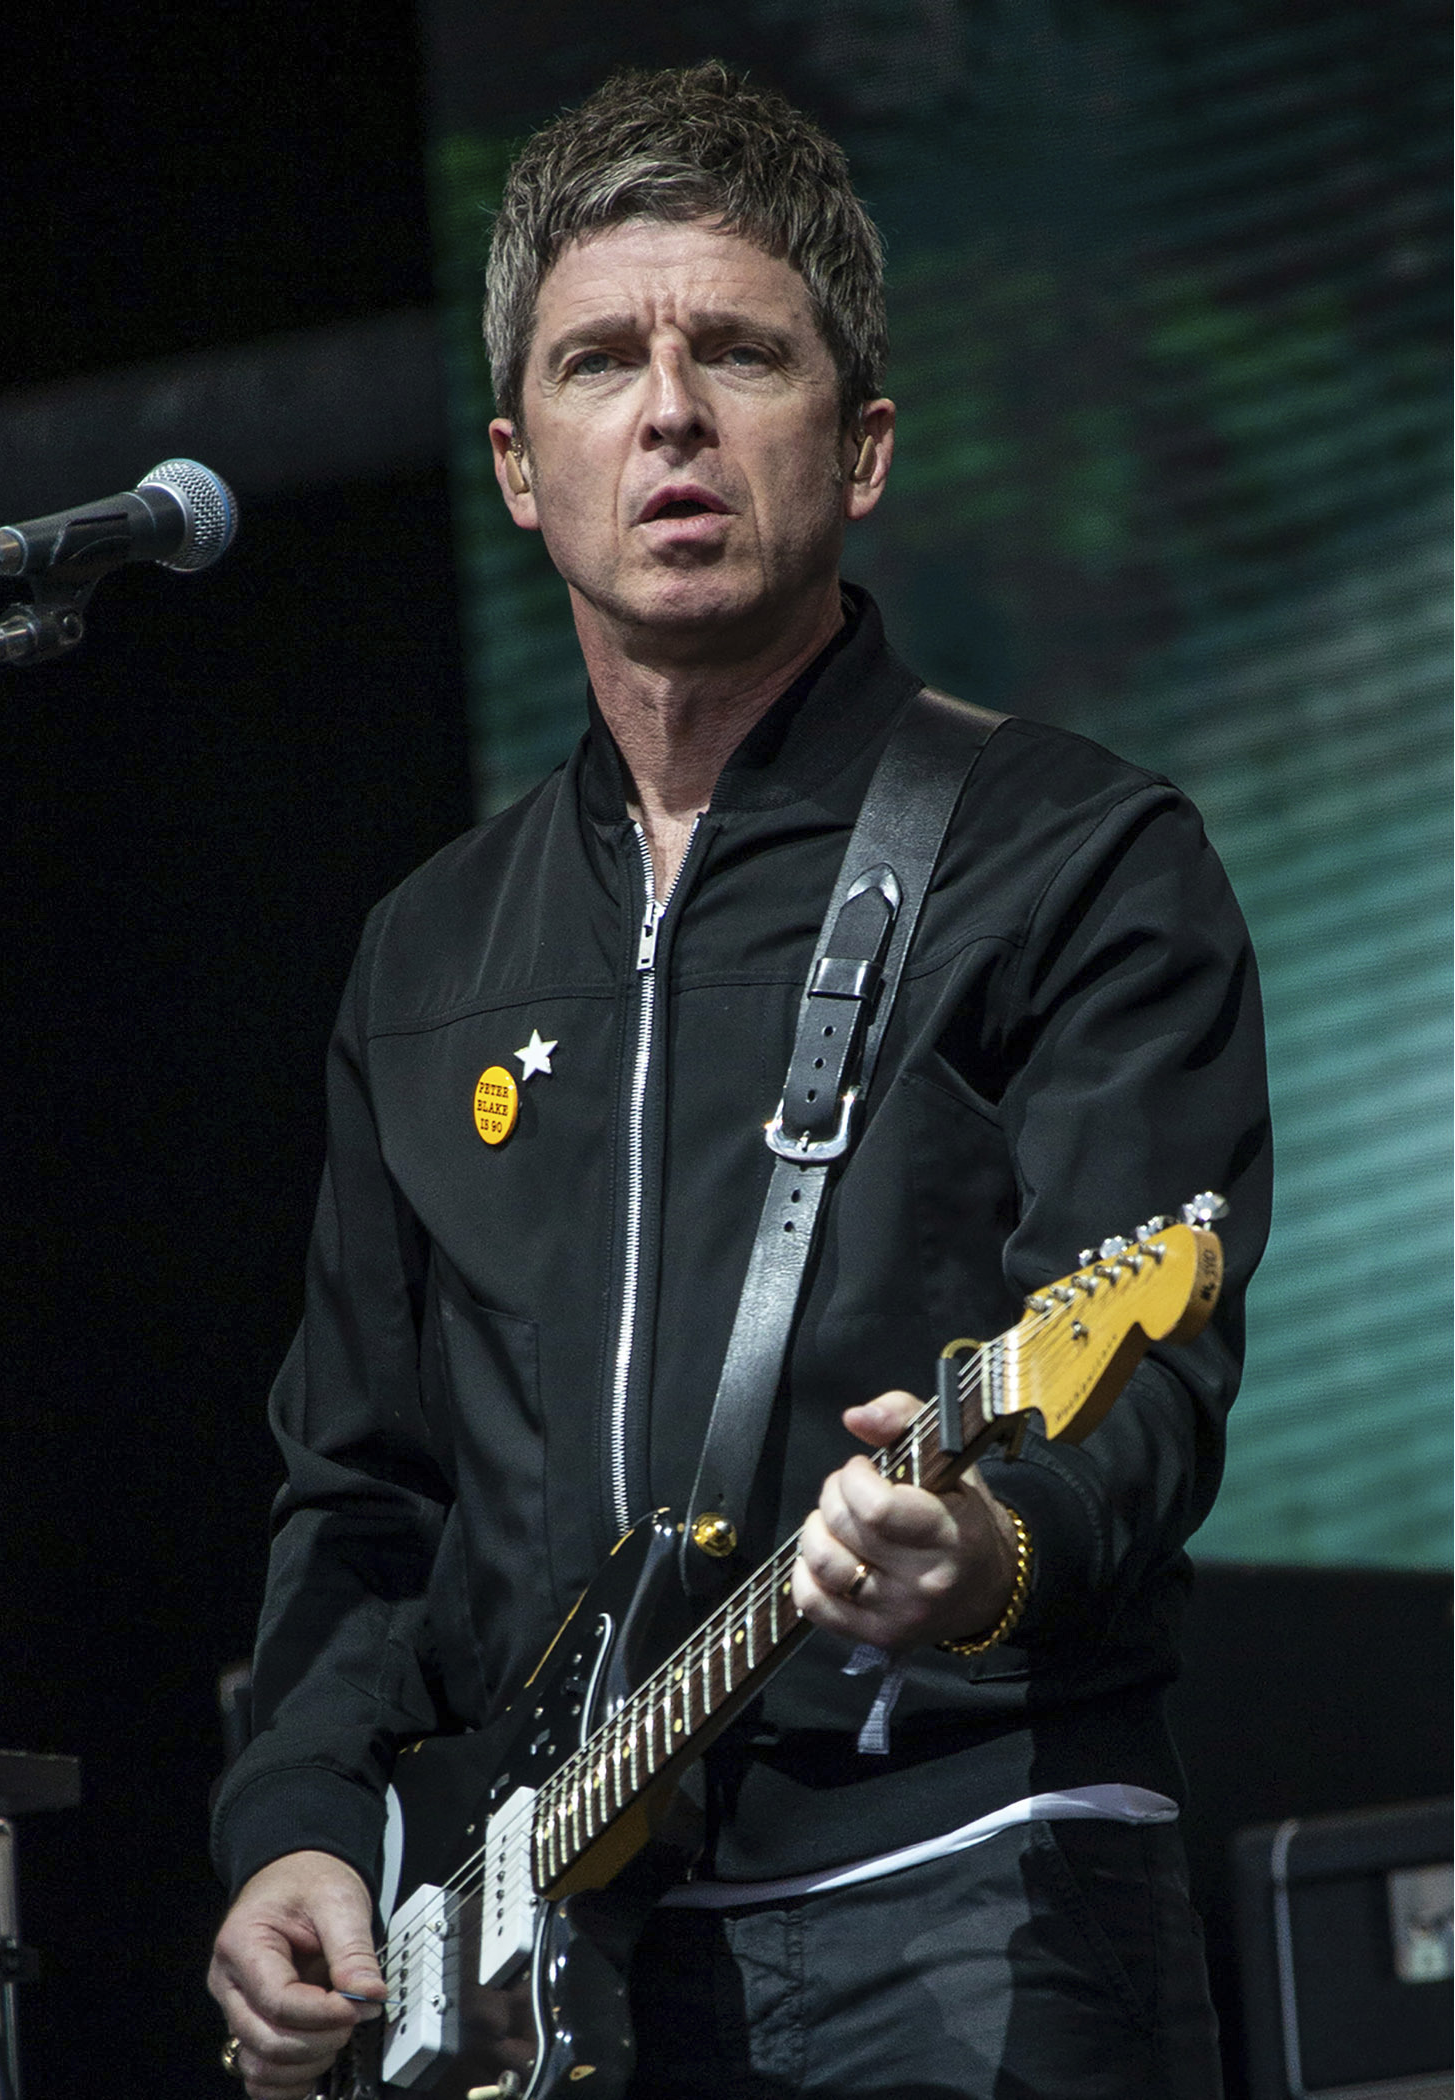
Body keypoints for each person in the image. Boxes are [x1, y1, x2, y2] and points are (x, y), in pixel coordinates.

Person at [206, 62, 1265, 2099]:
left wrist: (995, 1544)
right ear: (521, 464)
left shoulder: (1080, 855)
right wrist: (301, 1822)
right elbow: (361, 1483)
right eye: (603, 361)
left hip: (977, 1879)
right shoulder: (430, 952)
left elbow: (1150, 1369)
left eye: (740, 354)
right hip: (562, 1958)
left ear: (859, 444)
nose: (671, 411)